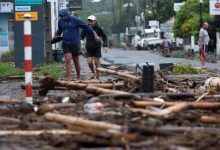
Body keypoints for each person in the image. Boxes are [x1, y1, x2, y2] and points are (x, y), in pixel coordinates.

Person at [54, 9, 100, 81]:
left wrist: (95, 35)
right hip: (66, 43)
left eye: (64, 16)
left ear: (67, 14)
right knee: (68, 59)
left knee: (76, 61)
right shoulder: (61, 21)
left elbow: (86, 27)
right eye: (61, 17)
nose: (63, 18)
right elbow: (59, 30)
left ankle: (79, 77)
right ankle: (68, 79)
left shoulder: (75, 20)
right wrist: (56, 35)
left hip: (75, 44)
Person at [81, 15, 108, 79]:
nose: (90, 22)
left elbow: (105, 37)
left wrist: (105, 45)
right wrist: (80, 41)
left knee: (96, 62)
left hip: (97, 47)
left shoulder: (99, 29)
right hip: (89, 47)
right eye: (89, 21)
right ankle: (93, 72)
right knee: (89, 62)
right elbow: (81, 36)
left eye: (91, 21)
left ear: (95, 21)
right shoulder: (86, 28)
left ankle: (97, 77)